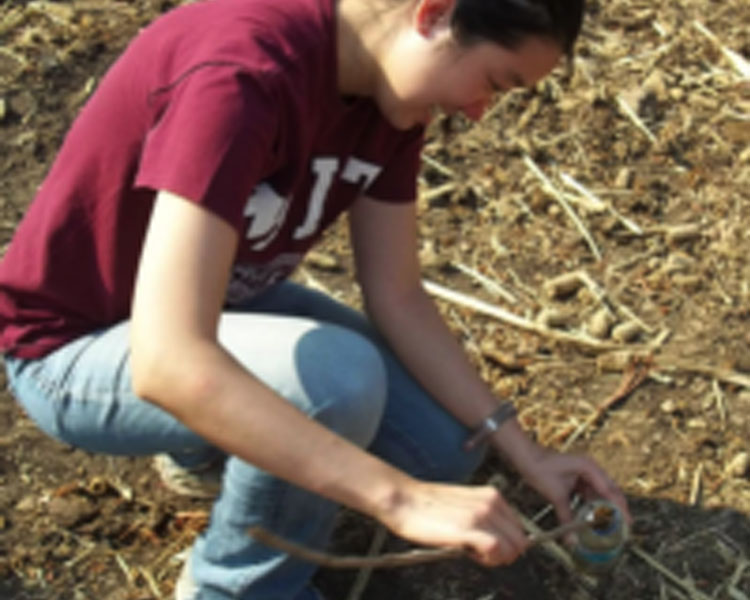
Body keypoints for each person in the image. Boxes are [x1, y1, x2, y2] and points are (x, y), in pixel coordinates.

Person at [0, 0, 630, 598]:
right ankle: (237, 583)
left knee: (438, 448)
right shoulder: (244, 74)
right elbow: (167, 360)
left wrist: (525, 453)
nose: (476, 111)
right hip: (76, 345)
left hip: (218, 312)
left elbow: (399, 296)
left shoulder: (389, 98)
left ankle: (209, 446)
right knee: (337, 385)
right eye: (494, 81)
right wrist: (399, 500)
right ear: (434, 14)